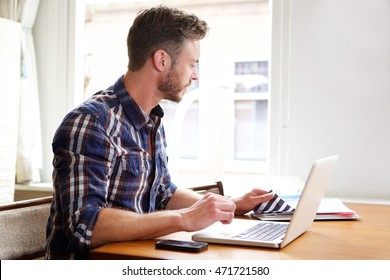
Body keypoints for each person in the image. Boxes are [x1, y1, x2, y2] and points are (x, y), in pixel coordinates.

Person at [45, 5, 274, 259]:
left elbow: (163, 192)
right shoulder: (92, 122)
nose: (195, 76)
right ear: (162, 60)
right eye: (192, 65)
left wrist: (230, 203)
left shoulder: (151, 119)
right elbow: (85, 225)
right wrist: (184, 219)